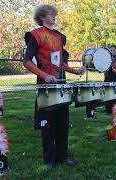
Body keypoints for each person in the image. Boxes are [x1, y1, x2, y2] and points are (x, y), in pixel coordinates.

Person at [23, 4, 86, 168]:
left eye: (55, 14)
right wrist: (45, 76)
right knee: (48, 123)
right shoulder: (35, 35)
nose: (54, 16)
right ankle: (49, 159)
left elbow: (60, 63)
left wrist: (75, 71)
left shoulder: (59, 36)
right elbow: (27, 61)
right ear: (42, 17)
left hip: (61, 84)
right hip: (45, 86)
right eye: (51, 14)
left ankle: (63, 157)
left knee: (63, 122)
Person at [104, 44, 116, 114]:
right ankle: (107, 109)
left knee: (113, 94)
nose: (112, 51)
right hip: (107, 78)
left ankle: (113, 109)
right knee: (107, 93)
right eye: (111, 50)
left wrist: (112, 64)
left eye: (113, 50)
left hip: (114, 78)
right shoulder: (106, 58)